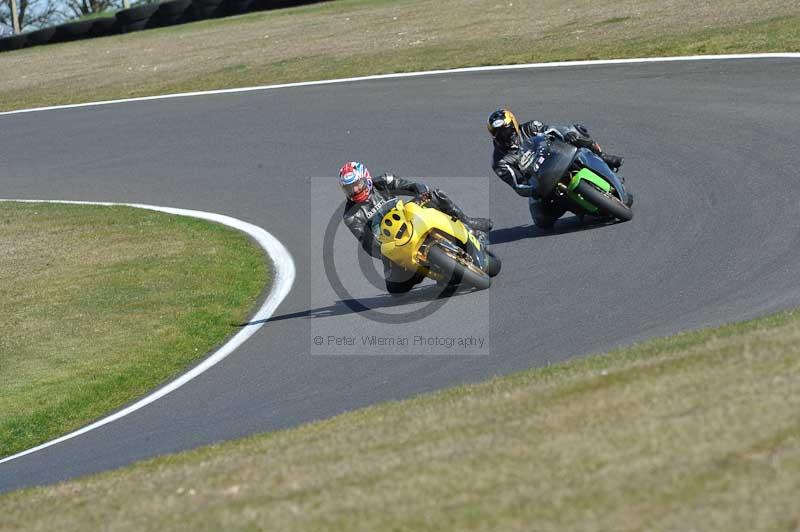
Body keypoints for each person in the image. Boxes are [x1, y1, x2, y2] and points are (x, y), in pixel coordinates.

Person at [339, 161, 493, 295]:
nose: (354, 191)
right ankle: (433, 271)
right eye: (349, 188)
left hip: (410, 220)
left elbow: (411, 186)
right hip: (394, 245)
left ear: (366, 178)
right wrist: (384, 251)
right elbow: (367, 243)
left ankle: (468, 224)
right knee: (395, 288)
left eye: (356, 185)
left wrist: (421, 193)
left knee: (435, 195)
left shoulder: (384, 181)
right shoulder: (351, 216)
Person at [488, 108, 630, 229]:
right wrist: (534, 189)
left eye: (507, 131)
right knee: (543, 221)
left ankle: (604, 157)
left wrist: (567, 134)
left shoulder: (531, 127)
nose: (505, 136)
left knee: (576, 132)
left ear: (514, 124)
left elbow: (553, 130)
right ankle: (575, 205)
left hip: (558, 157)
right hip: (540, 184)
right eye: (499, 134)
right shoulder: (500, 163)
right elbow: (518, 184)